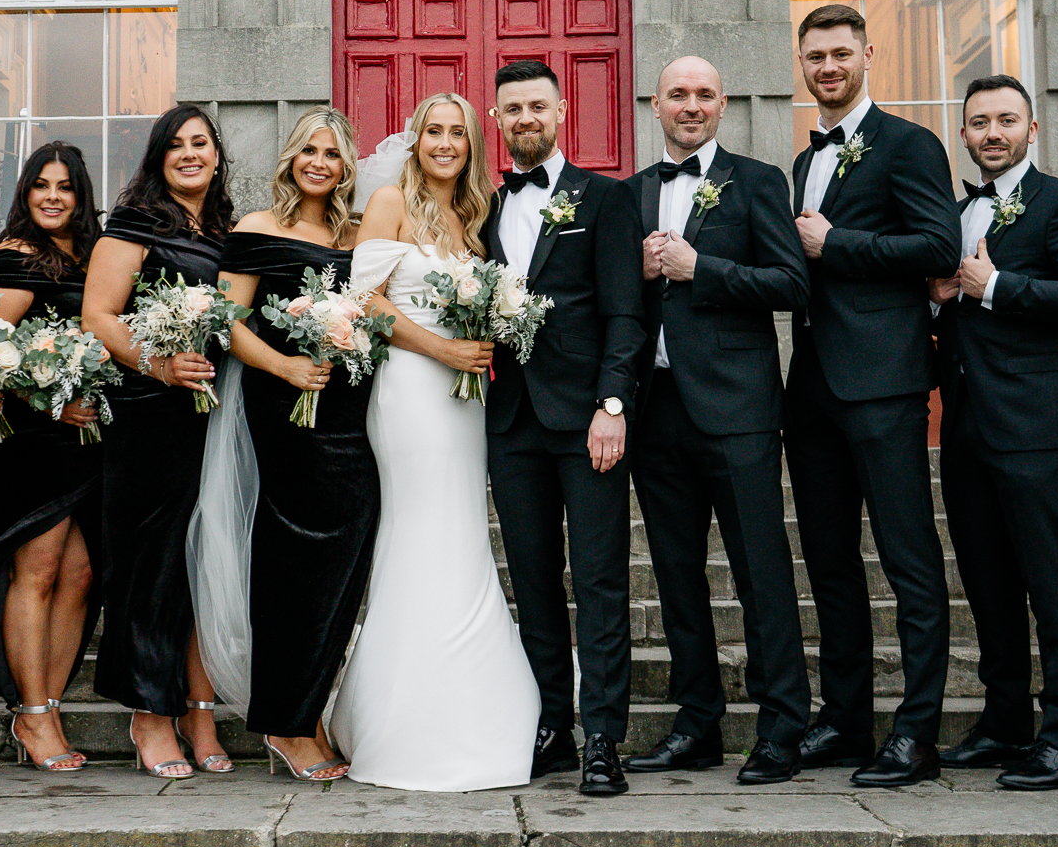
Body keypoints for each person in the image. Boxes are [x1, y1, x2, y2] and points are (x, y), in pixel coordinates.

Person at [331, 94, 542, 791]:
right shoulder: (391, 201)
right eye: (434, 131)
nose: (445, 143)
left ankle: (471, 703)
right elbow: (369, 300)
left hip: (465, 403)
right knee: (419, 529)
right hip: (411, 390)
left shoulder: (474, 217)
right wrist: (444, 352)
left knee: (460, 532)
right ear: (415, 140)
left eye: (458, 133)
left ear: (472, 145)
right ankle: (405, 722)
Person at [620, 56, 812, 786]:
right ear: (655, 104)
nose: (691, 106)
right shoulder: (632, 194)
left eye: (704, 94)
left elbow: (793, 284)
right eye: (678, 95)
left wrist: (705, 270)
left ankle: (782, 728)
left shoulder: (758, 181)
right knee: (675, 575)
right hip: (657, 409)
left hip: (738, 411)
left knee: (762, 571)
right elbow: (618, 306)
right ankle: (696, 723)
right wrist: (636, 274)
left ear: (723, 103)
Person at [784, 3, 961, 787]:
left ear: (866, 56)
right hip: (814, 386)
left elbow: (938, 246)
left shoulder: (909, 144)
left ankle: (916, 731)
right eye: (816, 56)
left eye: (840, 54)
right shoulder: (804, 160)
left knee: (908, 558)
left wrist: (836, 243)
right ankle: (846, 718)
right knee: (829, 560)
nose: (828, 67)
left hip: (885, 383)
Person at [928, 76, 1058, 790]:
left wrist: (996, 288)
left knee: (1051, 583)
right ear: (966, 135)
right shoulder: (955, 214)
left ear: (1032, 130)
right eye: (979, 123)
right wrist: (940, 296)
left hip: (1042, 427)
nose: (992, 133)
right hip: (968, 427)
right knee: (987, 581)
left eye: (1007, 120)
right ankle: (1004, 722)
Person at [482, 59, 647, 796]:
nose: (525, 119)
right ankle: (552, 725)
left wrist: (612, 405)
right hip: (512, 420)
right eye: (512, 108)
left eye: (536, 106)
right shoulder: (485, 211)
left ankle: (604, 737)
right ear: (498, 120)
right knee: (535, 580)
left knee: (602, 579)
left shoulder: (606, 199)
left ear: (560, 113)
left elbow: (625, 313)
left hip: (586, 423)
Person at [214, 109, 380, 782]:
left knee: (344, 562)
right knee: (291, 564)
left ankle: (311, 710)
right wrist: (282, 366)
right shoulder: (256, 229)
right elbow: (226, 320)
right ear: (290, 158)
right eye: (309, 149)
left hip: (347, 410)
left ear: (346, 168)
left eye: (333, 154)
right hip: (285, 406)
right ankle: (286, 722)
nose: (319, 162)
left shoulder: (359, 233)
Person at [0, 142, 106, 773]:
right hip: (31, 443)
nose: (53, 196)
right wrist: (49, 404)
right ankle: (31, 716)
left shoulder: (88, 260)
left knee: (81, 576)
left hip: (86, 443)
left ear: (82, 197)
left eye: (66, 186)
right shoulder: (14, 259)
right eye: (41, 185)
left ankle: (50, 704)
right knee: (35, 573)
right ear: (25, 194)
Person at [81, 105, 235, 779]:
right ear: (157, 158)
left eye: (201, 144)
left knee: (205, 564)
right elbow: (98, 315)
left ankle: (200, 709)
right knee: (154, 566)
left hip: (216, 413)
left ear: (217, 155)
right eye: (176, 146)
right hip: (148, 413)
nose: (190, 154)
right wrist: (159, 364)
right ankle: (150, 713)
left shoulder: (228, 230)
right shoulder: (134, 224)